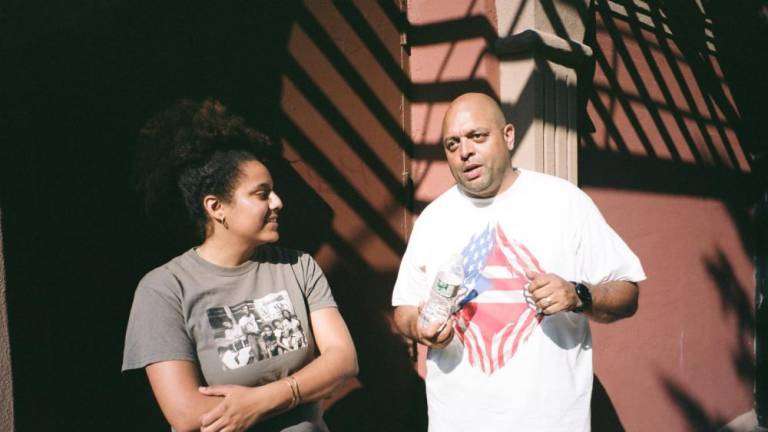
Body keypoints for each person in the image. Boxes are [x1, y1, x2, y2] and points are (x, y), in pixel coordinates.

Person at [391, 93, 645, 431]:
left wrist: (578, 295)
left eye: (477, 136)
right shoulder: (433, 220)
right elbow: (404, 308)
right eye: (452, 144)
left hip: (551, 421)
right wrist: (420, 327)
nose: (464, 151)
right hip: (458, 420)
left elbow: (627, 294)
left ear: (508, 136)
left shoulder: (563, 202)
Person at [122, 99, 358, 432]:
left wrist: (263, 400)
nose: (278, 202)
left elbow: (343, 359)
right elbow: (186, 412)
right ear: (217, 207)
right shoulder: (165, 289)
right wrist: (304, 388)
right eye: (262, 194)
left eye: (273, 192)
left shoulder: (298, 267)